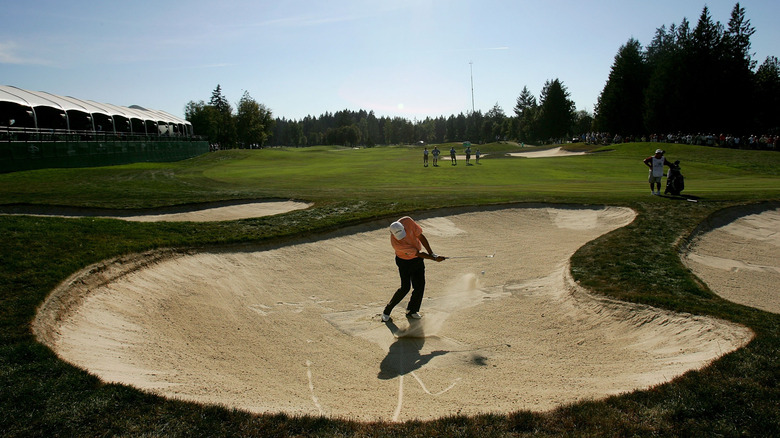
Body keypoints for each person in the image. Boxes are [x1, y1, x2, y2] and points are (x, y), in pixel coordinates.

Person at [382, 217, 446, 321]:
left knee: (420, 285)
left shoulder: (407, 221)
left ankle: (412, 310)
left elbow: (420, 236)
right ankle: (387, 311)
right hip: (404, 262)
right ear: (392, 233)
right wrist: (434, 258)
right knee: (405, 287)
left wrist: (432, 253)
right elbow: (418, 253)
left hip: (417, 261)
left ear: (403, 226)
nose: (401, 237)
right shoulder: (396, 244)